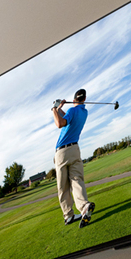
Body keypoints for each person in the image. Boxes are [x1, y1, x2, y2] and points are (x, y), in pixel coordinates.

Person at [52, 89, 95, 227]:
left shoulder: (72, 111)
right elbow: (67, 119)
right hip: (75, 150)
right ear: (85, 98)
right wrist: (60, 109)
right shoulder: (84, 112)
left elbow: (60, 124)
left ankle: (68, 215)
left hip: (62, 152)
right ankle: (84, 207)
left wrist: (54, 109)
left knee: (63, 187)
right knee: (77, 181)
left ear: (74, 99)